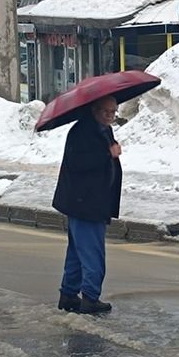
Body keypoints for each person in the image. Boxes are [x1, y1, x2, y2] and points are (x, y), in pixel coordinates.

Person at [52, 96, 123, 314]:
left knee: (76, 252)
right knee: (93, 253)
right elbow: (78, 163)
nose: (110, 116)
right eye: (106, 112)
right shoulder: (82, 132)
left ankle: (69, 294)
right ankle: (90, 298)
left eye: (114, 111)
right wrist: (107, 154)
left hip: (91, 201)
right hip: (86, 202)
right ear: (94, 109)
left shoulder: (102, 129)